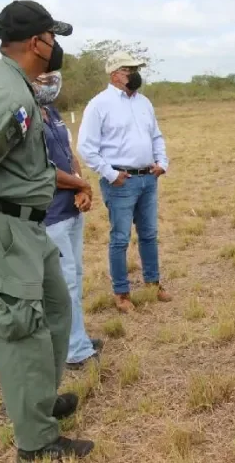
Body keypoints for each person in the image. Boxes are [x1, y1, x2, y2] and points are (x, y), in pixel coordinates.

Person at [0, 0, 94, 461]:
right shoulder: (9, 96)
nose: (56, 48)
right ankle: (36, 442)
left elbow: (22, 165)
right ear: (36, 43)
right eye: (53, 38)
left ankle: (41, 403)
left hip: (27, 225)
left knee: (55, 308)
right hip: (1, 229)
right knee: (22, 331)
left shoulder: (19, 87)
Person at [77, 51, 171, 313]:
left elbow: (156, 136)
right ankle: (121, 293)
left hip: (147, 178)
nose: (135, 73)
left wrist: (162, 162)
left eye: (136, 68)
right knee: (120, 238)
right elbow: (86, 147)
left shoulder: (144, 103)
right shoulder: (100, 104)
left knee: (149, 234)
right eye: (130, 68)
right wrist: (110, 174)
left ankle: (153, 283)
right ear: (115, 74)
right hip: (121, 182)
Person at [32, 70, 104, 370]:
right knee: (64, 285)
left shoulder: (50, 111)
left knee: (74, 279)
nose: (50, 81)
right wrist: (81, 186)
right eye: (42, 76)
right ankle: (74, 350)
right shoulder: (26, 119)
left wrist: (81, 183)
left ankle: (77, 338)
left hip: (71, 207)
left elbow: (68, 153)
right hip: (51, 214)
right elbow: (41, 170)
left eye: (52, 75)